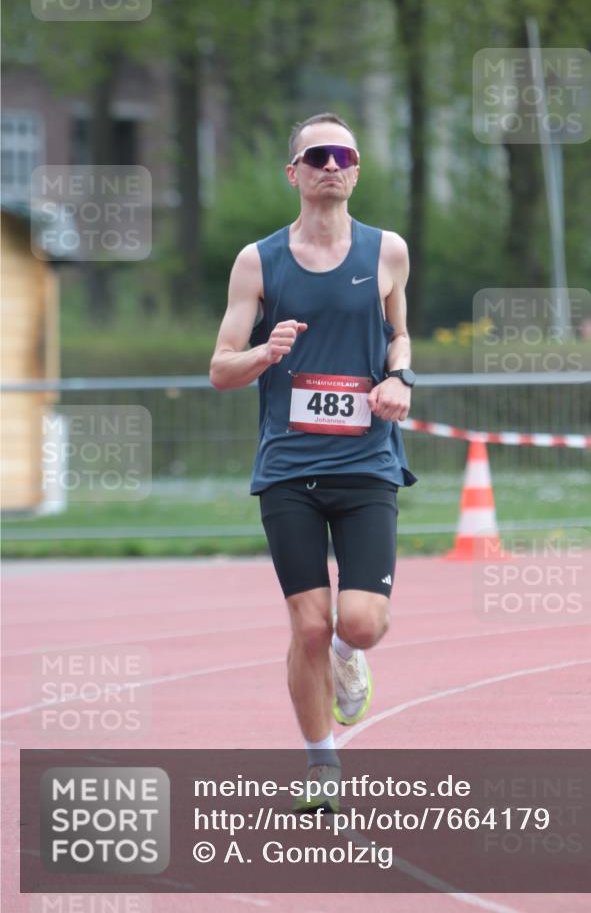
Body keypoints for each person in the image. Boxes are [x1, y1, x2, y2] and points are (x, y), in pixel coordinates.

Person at [210, 112, 417, 808]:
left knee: (357, 624)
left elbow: (401, 338)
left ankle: (346, 659)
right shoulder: (257, 261)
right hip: (290, 469)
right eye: (316, 155)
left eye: (343, 155)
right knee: (307, 622)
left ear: (355, 171)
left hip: (366, 466)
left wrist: (398, 380)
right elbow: (218, 368)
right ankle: (321, 765)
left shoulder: (387, 251)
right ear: (293, 173)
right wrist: (264, 354)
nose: (331, 164)